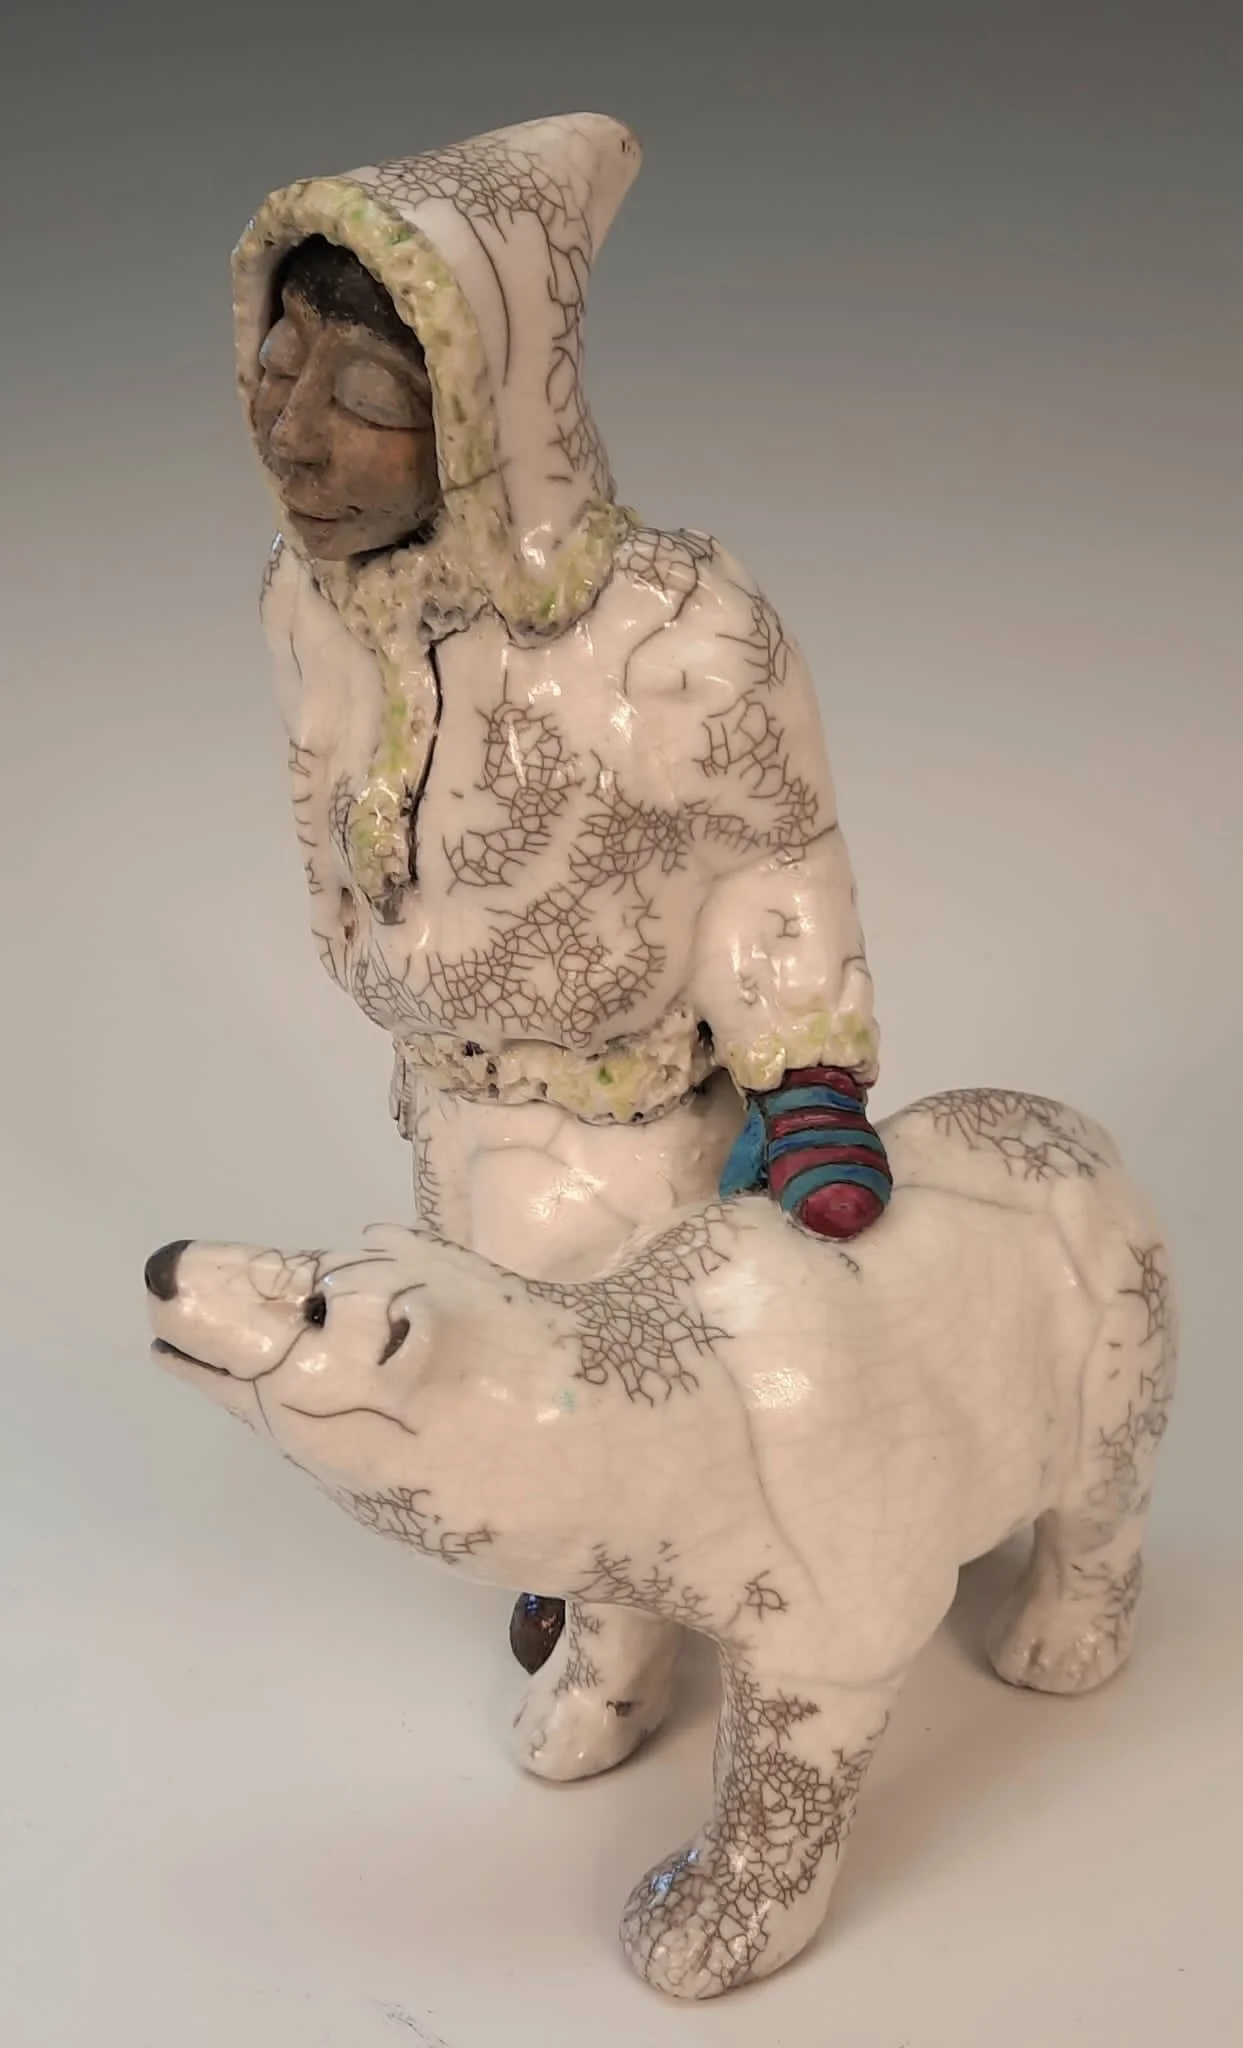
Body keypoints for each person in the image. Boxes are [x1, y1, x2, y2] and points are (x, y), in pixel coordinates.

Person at [232, 113, 891, 1781]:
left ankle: (630, 1606)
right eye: (277, 369)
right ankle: (570, 1540)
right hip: (445, 1088)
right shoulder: (310, 599)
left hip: (626, 1119)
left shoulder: (672, 630)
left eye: (364, 394)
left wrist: (804, 1078)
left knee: (621, 1356)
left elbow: (773, 846)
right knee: (487, 1313)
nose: (294, 437)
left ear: (492, 410)